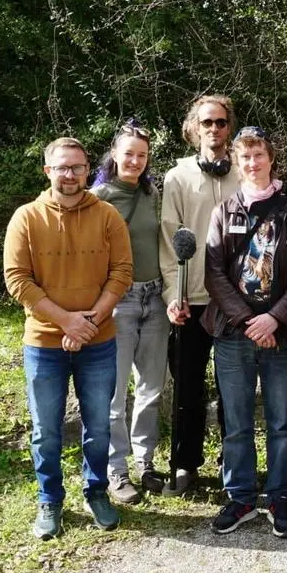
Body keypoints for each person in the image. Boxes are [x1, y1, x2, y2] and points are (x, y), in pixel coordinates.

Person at [3, 136, 134, 539]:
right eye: (62, 167)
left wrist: (89, 322)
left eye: (78, 167)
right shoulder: (26, 218)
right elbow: (17, 279)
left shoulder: (107, 216)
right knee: (46, 430)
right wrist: (66, 322)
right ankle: (50, 499)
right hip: (44, 345)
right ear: (48, 171)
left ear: (88, 170)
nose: (71, 174)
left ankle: (96, 492)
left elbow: (122, 272)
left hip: (98, 342)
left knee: (99, 425)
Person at [200, 126, 287, 537]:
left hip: (281, 333)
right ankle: (241, 497)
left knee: (281, 422)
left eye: (258, 154)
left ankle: (280, 496)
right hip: (234, 332)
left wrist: (275, 318)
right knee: (237, 422)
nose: (252, 163)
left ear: (271, 158)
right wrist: (248, 320)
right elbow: (213, 272)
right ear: (236, 161)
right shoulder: (223, 211)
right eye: (244, 156)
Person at [159, 95, 241, 496]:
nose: (214, 129)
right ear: (194, 127)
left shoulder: (245, 170)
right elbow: (169, 240)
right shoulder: (178, 177)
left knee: (232, 388)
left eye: (221, 122)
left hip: (235, 301)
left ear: (229, 127)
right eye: (206, 122)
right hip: (190, 300)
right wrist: (172, 294)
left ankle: (233, 462)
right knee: (188, 387)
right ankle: (184, 464)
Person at [91, 119, 170, 504]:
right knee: (115, 393)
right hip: (118, 301)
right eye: (128, 154)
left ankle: (145, 461)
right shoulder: (98, 198)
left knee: (151, 388)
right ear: (114, 155)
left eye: (142, 155)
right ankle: (116, 470)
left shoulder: (152, 193)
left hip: (155, 299)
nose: (135, 161)